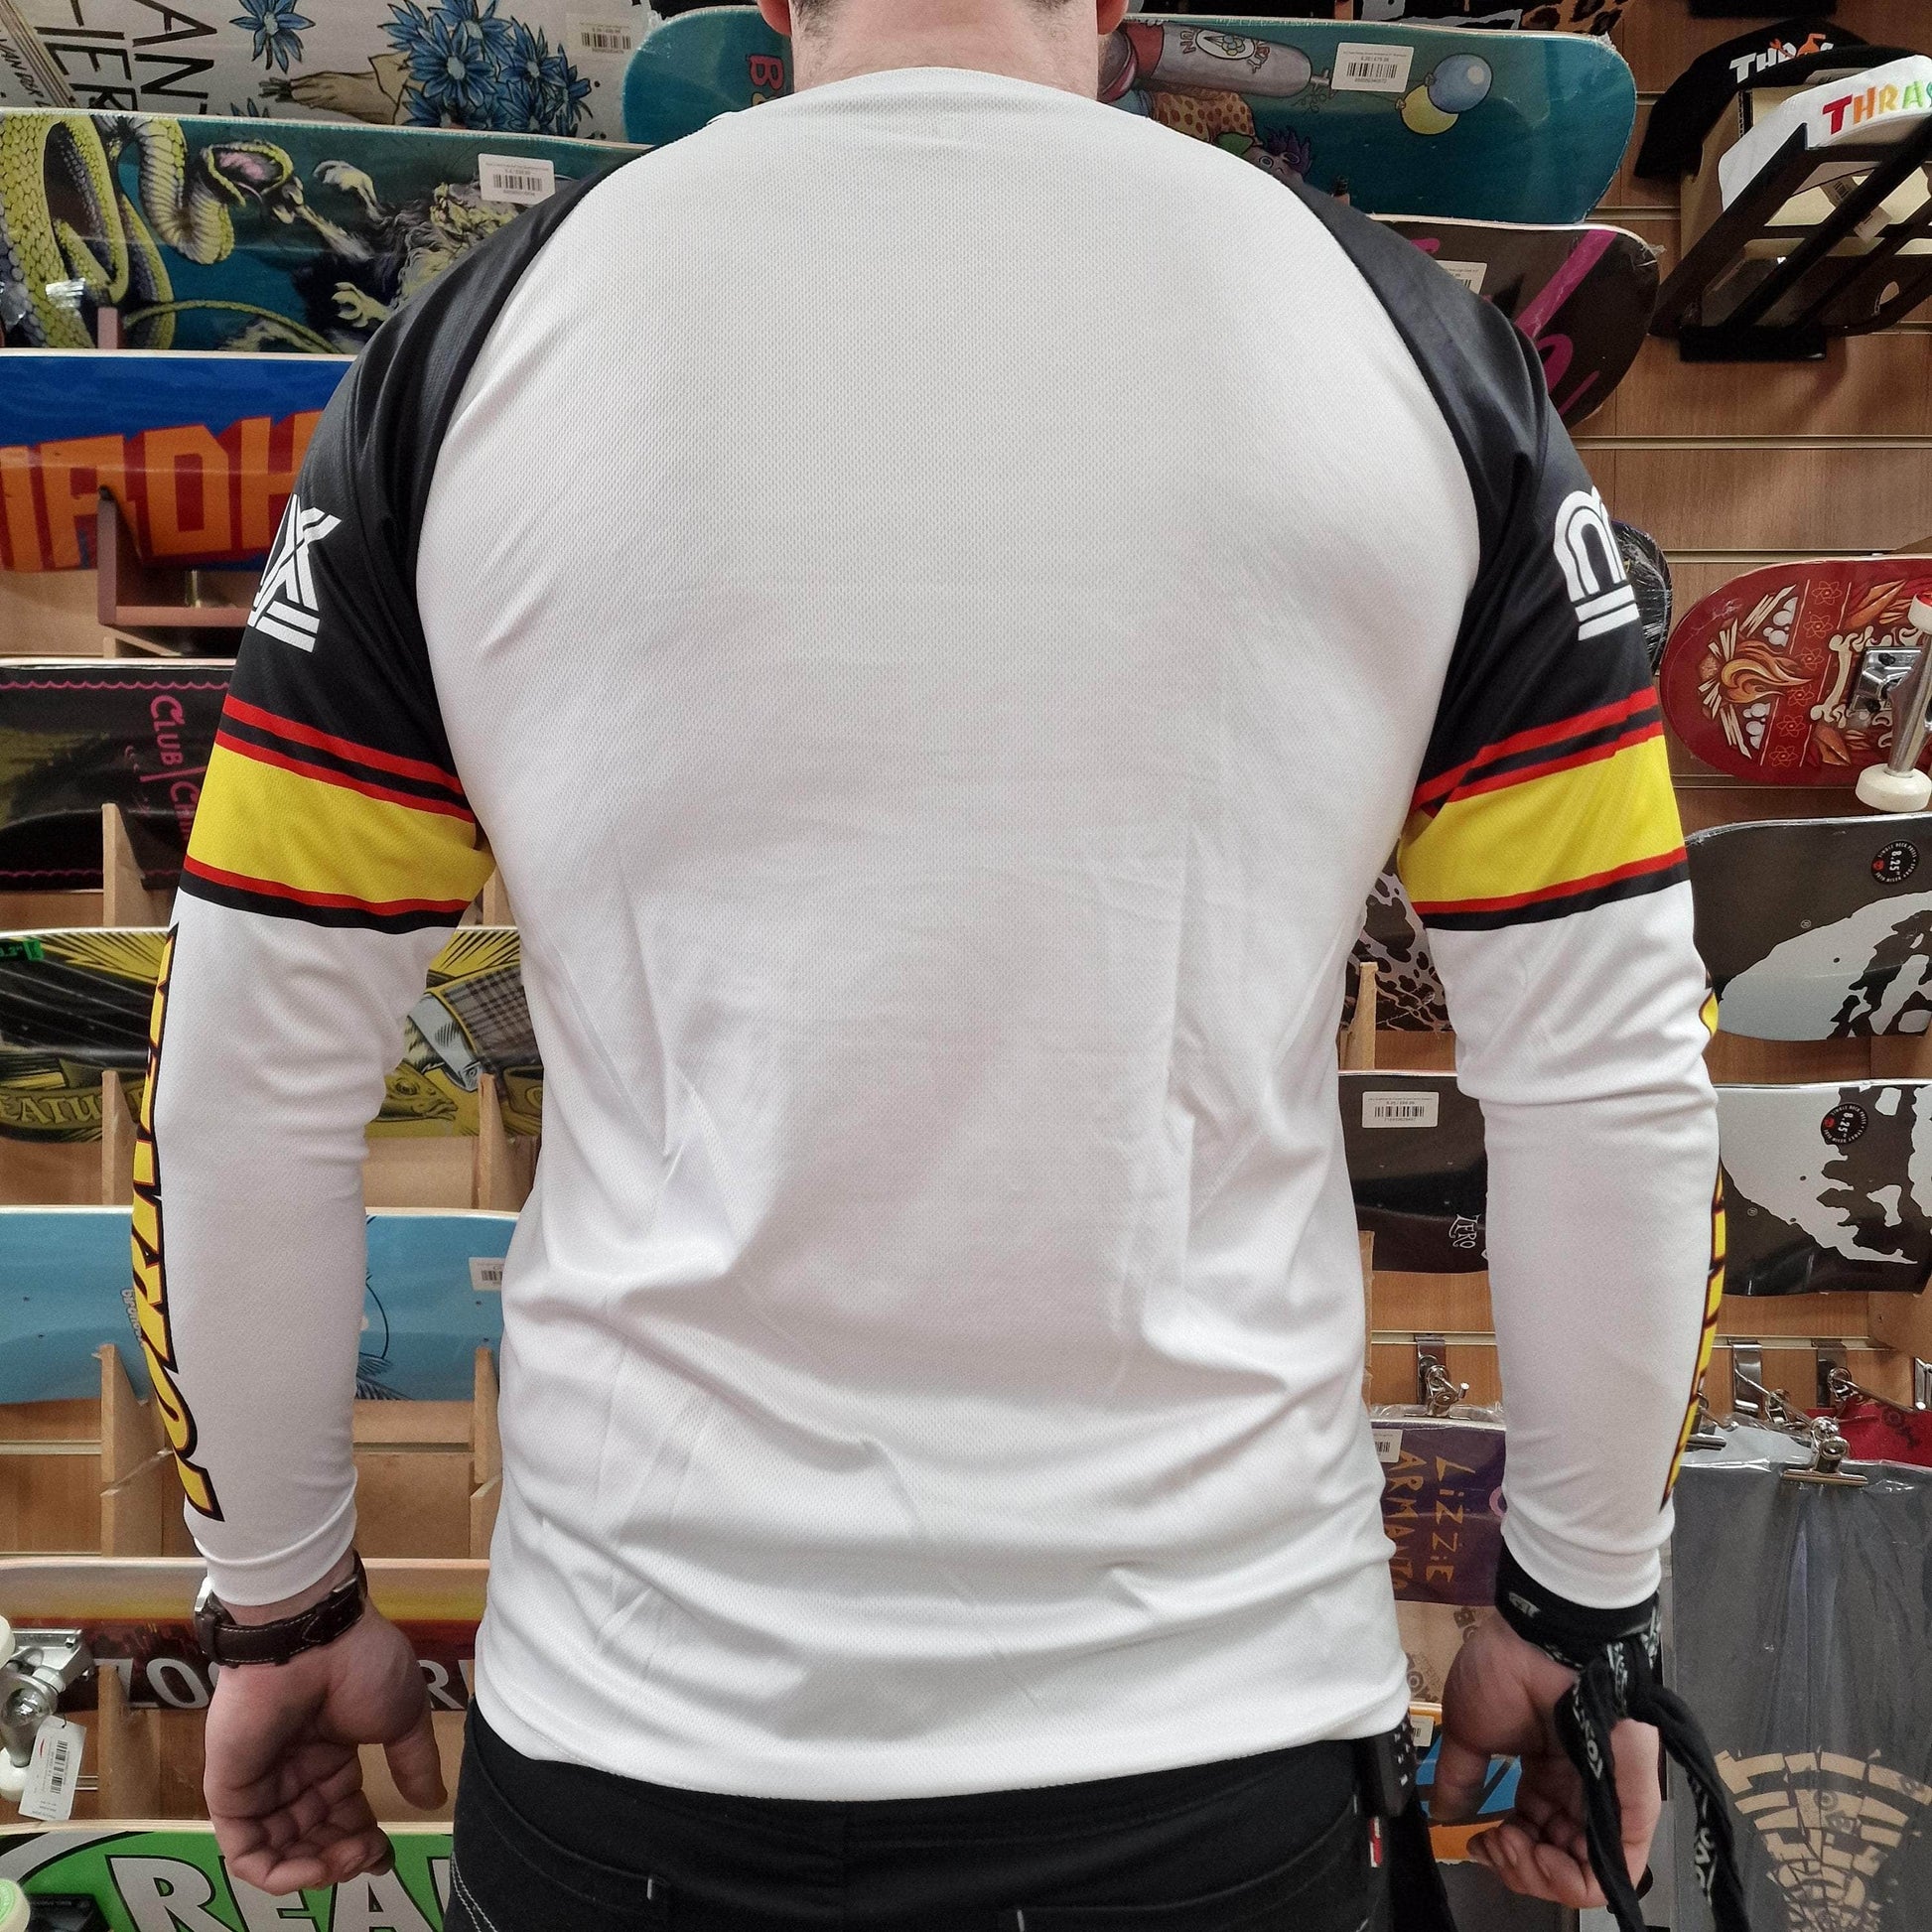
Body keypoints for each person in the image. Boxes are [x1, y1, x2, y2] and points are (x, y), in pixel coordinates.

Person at [139, 1, 1740, 1927]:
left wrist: (282, 1601)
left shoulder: (479, 351)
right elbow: (1610, 1074)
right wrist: (1575, 1608)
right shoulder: (1406, 351)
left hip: (640, 1741)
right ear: (1124, 11)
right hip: (1206, 1744)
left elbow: (248, 1075)